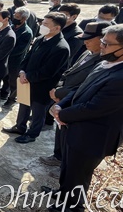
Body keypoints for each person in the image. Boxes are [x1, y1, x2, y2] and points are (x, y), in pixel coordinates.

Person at [46, 24, 123, 212]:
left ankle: (74, 207)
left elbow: (94, 108)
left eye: (107, 44)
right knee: (68, 166)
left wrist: (61, 114)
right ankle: (63, 194)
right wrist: (61, 105)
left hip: (93, 136)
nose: (101, 46)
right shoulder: (105, 62)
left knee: (79, 172)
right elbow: (80, 89)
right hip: (75, 127)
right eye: (102, 41)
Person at [39, 21, 109, 173]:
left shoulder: (103, 62)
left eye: (90, 38)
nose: (86, 42)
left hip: (74, 101)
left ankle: (65, 165)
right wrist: (57, 89)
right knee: (61, 131)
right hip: (63, 99)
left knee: (70, 138)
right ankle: (57, 157)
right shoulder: (87, 52)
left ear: (103, 39)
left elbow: (85, 87)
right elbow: (69, 72)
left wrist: (60, 95)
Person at [2, 13, 70, 143]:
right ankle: (20, 127)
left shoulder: (61, 47)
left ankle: (32, 134)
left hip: (41, 86)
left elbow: (48, 72)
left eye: (46, 24)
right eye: (42, 23)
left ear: (57, 28)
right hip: (26, 81)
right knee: (23, 105)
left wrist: (28, 76)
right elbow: (27, 57)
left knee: (38, 111)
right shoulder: (40, 39)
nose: (41, 26)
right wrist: (22, 71)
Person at [3, 7, 34, 108]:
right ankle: (3, 93)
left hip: (16, 61)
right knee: (5, 78)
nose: (14, 18)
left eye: (17, 17)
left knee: (14, 82)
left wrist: (4, 52)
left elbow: (20, 50)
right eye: (14, 16)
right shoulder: (12, 26)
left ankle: (11, 99)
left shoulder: (27, 32)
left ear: (24, 19)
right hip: (6, 58)